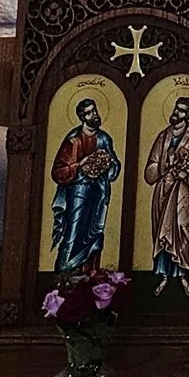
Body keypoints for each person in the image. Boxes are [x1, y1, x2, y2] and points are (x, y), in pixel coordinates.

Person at [143, 94, 189, 292]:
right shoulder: (163, 136)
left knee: (182, 228)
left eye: (182, 110)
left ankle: (183, 274)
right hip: (163, 192)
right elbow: (151, 168)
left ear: (188, 114)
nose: (177, 112)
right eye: (176, 108)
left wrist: (187, 173)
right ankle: (163, 275)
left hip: (183, 193)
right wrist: (165, 165)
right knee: (161, 234)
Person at [49, 96, 120, 273]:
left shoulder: (104, 139)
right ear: (82, 117)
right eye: (89, 113)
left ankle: (90, 272)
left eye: (94, 111)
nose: (94, 115)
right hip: (78, 192)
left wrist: (109, 163)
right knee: (74, 230)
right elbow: (58, 171)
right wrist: (80, 164)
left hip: (99, 192)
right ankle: (64, 273)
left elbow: (114, 165)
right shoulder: (74, 140)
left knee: (95, 232)